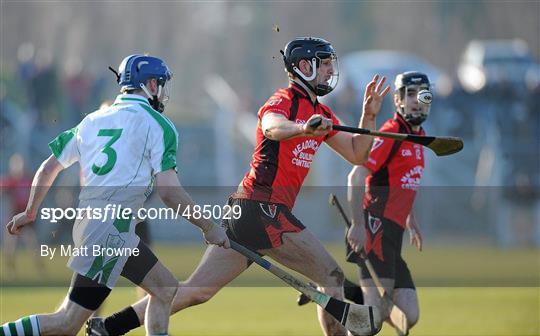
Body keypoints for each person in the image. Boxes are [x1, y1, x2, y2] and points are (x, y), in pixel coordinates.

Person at [86, 37, 389, 336]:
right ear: (304, 66)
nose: (328, 71)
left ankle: (110, 327)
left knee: (196, 291)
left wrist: (370, 115)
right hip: (264, 209)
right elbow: (271, 126)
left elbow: (356, 152)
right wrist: (301, 127)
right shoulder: (284, 100)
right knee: (331, 275)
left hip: (248, 211)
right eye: (323, 64)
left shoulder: (322, 114)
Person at [1, 54, 229, 336]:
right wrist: (209, 227)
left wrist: (31, 210)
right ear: (150, 84)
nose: (162, 90)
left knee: (165, 288)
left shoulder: (92, 120)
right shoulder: (159, 125)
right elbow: (169, 191)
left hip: (100, 227)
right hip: (110, 231)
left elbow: (49, 167)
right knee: (66, 322)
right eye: (160, 83)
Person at [346, 71, 430, 333]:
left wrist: (410, 219)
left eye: (422, 94)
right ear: (398, 100)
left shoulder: (419, 135)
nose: (416, 101)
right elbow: (356, 175)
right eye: (410, 94)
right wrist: (358, 225)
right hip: (374, 229)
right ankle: (347, 310)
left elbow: (404, 181)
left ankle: (342, 293)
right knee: (373, 319)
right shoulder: (391, 133)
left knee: (409, 315)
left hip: (395, 235)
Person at [1, 153, 46, 279]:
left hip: (27, 218)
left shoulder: (29, 180)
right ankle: (11, 271)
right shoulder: (10, 181)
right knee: (10, 246)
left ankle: (40, 269)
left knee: (33, 244)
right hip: (14, 216)